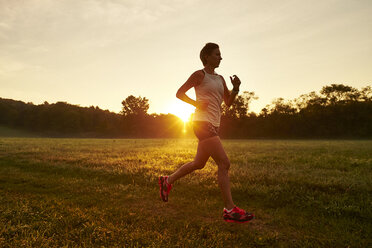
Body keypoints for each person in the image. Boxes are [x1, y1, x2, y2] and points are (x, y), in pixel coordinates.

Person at [158, 42, 254, 223]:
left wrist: (236, 88)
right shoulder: (199, 75)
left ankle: (167, 181)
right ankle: (229, 209)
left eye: (220, 54)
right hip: (202, 123)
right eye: (217, 54)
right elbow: (179, 93)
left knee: (198, 163)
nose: (220, 57)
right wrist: (195, 104)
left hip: (214, 124)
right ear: (207, 56)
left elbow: (228, 102)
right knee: (224, 163)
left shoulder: (220, 79)